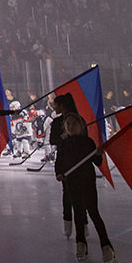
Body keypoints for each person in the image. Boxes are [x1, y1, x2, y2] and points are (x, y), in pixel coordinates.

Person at [55, 114, 115, 263]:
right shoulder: (64, 144)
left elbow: (96, 161)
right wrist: (59, 173)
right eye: (68, 123)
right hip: (72, 182)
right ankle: (81, 243)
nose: (70, 126)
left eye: (74, 123)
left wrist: (99, 153)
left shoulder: (88, 142)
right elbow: (59, 161)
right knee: (79, 213)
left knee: (94, 212)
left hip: (87, 181)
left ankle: (106, 245)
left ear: (81, 126)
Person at [49, 93, 79, 236]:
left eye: (56, 105)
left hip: (78, 160)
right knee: (67, 193)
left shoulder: (77, 119)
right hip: (64, 160)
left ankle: (82, 222)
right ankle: (68, 221)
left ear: (62, 105)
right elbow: (52, 140)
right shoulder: (56, 123)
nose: (54, 107)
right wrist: (63, 137)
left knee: (81, 194)